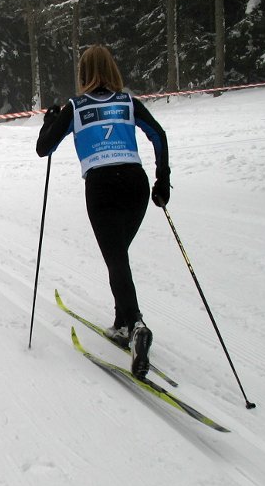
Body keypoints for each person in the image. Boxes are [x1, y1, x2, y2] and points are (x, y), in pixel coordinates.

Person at [36, 44, 170, 379]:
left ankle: (137, 323)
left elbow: (44, 148)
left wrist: (50, 121)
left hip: (102, 185)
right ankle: (122, 321)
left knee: (115, 257)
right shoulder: (128, 102)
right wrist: (162, 179)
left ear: (82, 73)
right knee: (118, 254)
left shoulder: (76, 107)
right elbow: (158, 135)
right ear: (113, 69)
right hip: (136, 185)